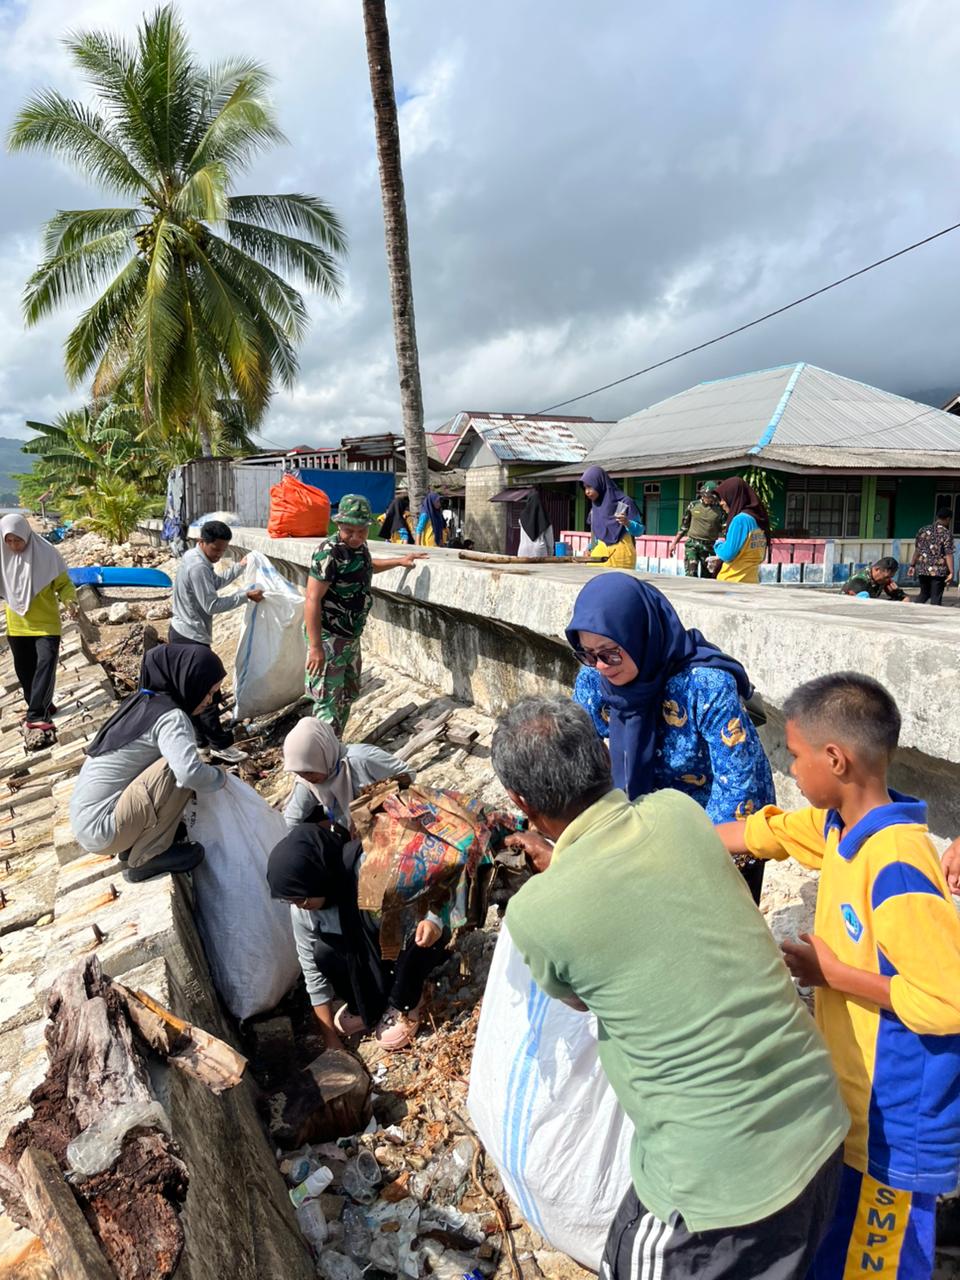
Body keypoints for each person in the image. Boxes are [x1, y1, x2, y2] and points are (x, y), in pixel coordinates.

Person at [494, 697, 848, 1280]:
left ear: (521, 804)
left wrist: (557, 878)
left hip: (715, 1194)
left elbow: (580, 996)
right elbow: (640, 890)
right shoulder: (679, 813)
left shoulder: (536, 913)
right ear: (603, 756)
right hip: (819, 1127)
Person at [717, 673, 960, 1279]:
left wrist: (833, 973)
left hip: (898, 1116)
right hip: (857, 1105)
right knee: (841, 1249)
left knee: (884, 1258)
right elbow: (758, 833)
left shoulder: (898, 866)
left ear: (836, 759)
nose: (792, 771)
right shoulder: (841, 830)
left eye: (796, 757)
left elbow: (946, 1002)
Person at [569, 573, 774, 902]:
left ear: (639, 637)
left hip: (720, 822)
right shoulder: (594, 678)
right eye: (588, 654)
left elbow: (738, 788)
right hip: (648, 821)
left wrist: (685, 858)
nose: (601, 666)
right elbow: (576, 756)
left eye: (610, 653)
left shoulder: (704, 685)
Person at [266, 823, 448, 1051]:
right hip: (372, 956)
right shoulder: (303, 909)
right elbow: (311, 971)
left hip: (406, 945)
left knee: (417, 933)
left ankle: (407, 1001)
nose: (300, 906)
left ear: (317, 875)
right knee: (323, 951)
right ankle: (371, 1004)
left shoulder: (369, 870)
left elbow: (432, 889)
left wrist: (434, 919)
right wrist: (330, 1039)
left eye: (301, 898)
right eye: (291, 901)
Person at [69, 646, 226, 882]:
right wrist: (220, 777)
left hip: (92, 825)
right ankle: (148, 855)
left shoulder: (145, 703)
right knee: (177, 768)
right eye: (209, 692)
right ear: (189, 681)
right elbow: (188, 773)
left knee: (177, 762)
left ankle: (137, 840)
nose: (210, 701)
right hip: (104, 828)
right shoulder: (171, 717)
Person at [304, 494, 425, 736]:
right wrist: (316, 647)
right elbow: (312, 599)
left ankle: (334, 749)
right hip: (329, 638)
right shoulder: (329, 553)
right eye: (350, 531)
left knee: (346, 697)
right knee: (327, 704)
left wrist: (400, 560)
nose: (356, 537)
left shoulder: (360, 548)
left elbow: (368, 565)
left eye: (362, 531)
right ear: (339, 526)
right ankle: (321, 762)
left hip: (350, 638)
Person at [170, 520, 263, 747]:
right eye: (216, 550)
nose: (219, 555)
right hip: (190, 637)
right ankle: (220, 745)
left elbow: (214, 583)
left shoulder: (196, 558)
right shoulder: (198, 567)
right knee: (207, 694)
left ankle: (201, 742)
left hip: (183, 632)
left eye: (223, 550)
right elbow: (211, 605)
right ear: (202, 542)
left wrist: (239, 567)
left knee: (193, 694)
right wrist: (245, 596)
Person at [0, 513, 75, 740]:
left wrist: (70, 601)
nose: (14, 545)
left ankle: (35, 716)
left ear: (26, 535)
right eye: (9, 541)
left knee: (45, 667)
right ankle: (44, 705)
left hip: (46, 625)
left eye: (18, 540)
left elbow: (64, 584)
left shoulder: (47, 554)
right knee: (25, 672)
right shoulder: (2, 558)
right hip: (17, 626)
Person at [282, 716, 412, 829]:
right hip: (346, 831)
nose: (306, 778)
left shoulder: (361, 759)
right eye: (299, 774)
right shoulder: (308, 781)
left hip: (384, 822)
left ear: (322, 756)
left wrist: (377, 799)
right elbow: (292, 818)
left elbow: (407, 774)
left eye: (309, 772)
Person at [580, 466, 644, 569]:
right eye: (585, 487)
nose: (587, 491)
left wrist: (627, 523)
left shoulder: (623, 503)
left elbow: (640, 531)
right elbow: (597, 535)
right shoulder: (595, 507)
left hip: (622, 559)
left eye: (590, 487)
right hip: (599, 558)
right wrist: (589, 548)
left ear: (599, 484)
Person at [711, 477, 771, 583]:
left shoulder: (740, 520)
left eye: (723, 498)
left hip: (732, 581)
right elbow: (760, 556)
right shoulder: (759, 520)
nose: (721, 503)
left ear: (733, 496)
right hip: (752, 581)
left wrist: (718, 545)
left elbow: (727, 554)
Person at [669, 480, 724, 577]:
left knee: (707, 577)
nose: (707, 498)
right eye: (705, 495)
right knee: (691, 574)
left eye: (710, 496)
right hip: (692, 544)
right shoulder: (693, 506)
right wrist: (674, 543)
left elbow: (725, 530)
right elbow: (684, 527)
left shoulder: (719, 510)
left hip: (709, 546)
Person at [908, 506, 955, 605]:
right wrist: (951, 571)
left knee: (924, 594)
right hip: (938, 571)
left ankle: (912, 610)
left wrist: (912, 565)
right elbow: (948, 554)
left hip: (923, 569)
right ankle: (935, 617)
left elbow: (917, 549)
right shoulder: (946, 534)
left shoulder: (923, 530)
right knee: (935, 597)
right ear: (948, 519)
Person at [840, 556, 907, 601]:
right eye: (886, 577)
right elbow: (866, 605)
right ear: (877, 569)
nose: (888, 580)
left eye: (890, 577)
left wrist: (898, 593)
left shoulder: (883, 579)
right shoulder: (860, 580)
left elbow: (906, 600)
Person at [517, 489, 553, 558]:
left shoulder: (522, 517)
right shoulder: (545, 518)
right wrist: (550, 555)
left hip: (523, 551)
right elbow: (550, 542)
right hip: (539, 551)